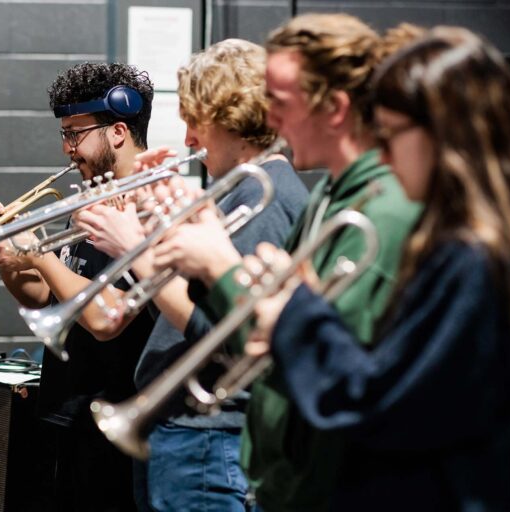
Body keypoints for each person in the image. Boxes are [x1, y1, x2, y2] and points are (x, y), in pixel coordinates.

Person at [246, 26, 510, 511]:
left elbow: (379, 402)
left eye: (389, 135)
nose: (383, 155)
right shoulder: (486, 245)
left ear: (445, 135)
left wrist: (295, 315)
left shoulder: (473, 260)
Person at [149, 15, 423, 511]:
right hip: (284, 470)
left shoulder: (377, 210)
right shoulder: (332, 198)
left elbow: (337, 370)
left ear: (335, 109)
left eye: (280, 103)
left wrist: (220, 270)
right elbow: (270, 334)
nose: (268, 119)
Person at [74, 39, 309, 511]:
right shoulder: (240, 191)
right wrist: (156, 215)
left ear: (231, 114)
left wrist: (130, 247)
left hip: (208, 437)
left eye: (194, 121)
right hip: (188, 435)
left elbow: (219, 330)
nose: (187, 140)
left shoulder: (264, 195)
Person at [0, 62, 156, 511]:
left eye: (76, 133)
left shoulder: (149, 208)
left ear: (117, 131)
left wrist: (38, 253)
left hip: (112, 417)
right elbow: (45, 297)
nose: (68, 149)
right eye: (64, 134)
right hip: (65, 411)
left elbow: (100, 316)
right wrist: (9, 261)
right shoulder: (86, 202)